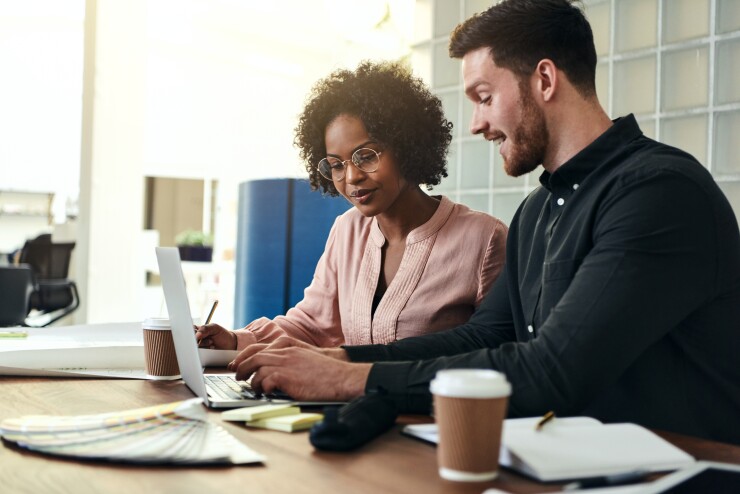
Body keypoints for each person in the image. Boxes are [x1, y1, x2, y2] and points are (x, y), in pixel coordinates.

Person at [228, 0, 740, 445]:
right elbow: (482, 339)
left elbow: (551, 371)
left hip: (686, 472)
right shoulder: (537, 213)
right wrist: (339, 361)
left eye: (484, 97)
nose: (475, 124)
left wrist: (348, 381)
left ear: (544, 79)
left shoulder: (658, 193)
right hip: (569, 467)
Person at [197, 61, 507, 350]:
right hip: (352, 408)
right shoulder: (347, 230)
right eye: (335, 165)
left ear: (407, 146)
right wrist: (236, 340)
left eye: (367, 156)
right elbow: (312, 324)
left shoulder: (485, 238)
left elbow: (497, 351)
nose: (351, 177)